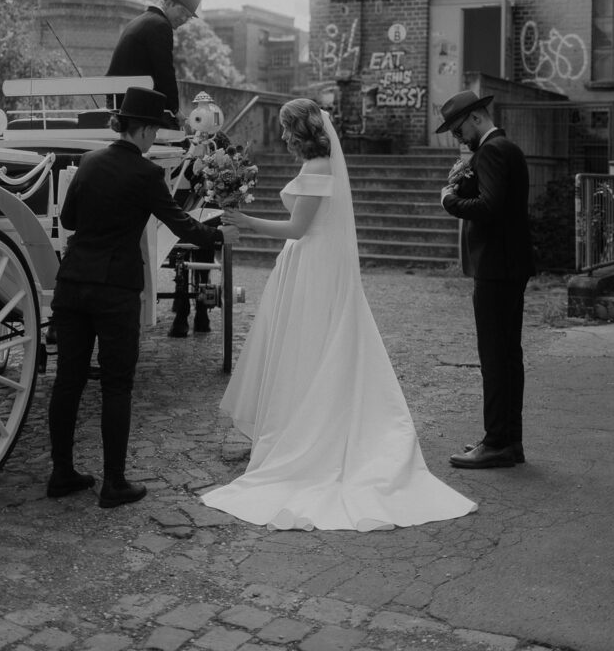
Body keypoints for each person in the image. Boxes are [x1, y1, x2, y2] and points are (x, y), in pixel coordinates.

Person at [200, 98, 476, 531]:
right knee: (316, 343)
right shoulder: (319, 164)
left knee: (310, 344)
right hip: (315, 260)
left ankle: (305, 429)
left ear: (300, 129)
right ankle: (299, 420)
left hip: (314, 264)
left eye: (286, 127)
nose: (282, 135)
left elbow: (297, 229)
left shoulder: (317, 167)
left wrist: (246, 220)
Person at [46, 87, 239, 508]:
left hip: (72, 282)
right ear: (147, 130)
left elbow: (70, 219)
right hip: (115, 289)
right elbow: (181, 224)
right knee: (117, 384)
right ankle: (114, 483)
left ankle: (61, 473)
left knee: (68, 381)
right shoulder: (146, 173)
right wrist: (219, 235)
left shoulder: (89, 161)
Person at [436, 89, 535, 470]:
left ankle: (496, 443)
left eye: (458, 129)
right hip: (509, 265)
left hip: (496, 267)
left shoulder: (492, 151)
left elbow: (489, 207)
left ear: (476, 117)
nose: (458, 138)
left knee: (495, 358)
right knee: (508, 357)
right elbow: (499, 202)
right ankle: (509, 441)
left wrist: (450, 201)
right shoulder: (506, 148)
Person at [106, 0, 202, 123]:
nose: (183, 19)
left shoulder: (141, 20)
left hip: (118, 98)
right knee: (178, 126)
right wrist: (175, 110)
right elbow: (164, 71)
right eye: (182, 12)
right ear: (168, 4)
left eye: (187, 17)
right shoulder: (161, 25)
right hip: (132, 105)